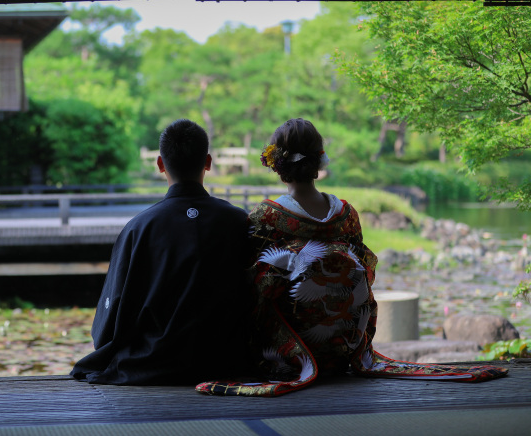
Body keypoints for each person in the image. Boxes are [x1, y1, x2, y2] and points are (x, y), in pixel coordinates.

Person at [197, 118, 508, 397]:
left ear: (278, 165)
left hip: (290, 353)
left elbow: (252, 286)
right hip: (343, 348)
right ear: (318, 162)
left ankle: (290, 357)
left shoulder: (268, 215)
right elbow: (366, 272)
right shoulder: (345, 214)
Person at [71, 119, 255, 384]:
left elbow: (112, 315)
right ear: (208, 162)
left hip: (152, 363)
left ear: (160, 164)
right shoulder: (240, 221)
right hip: (228, 361)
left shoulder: (139, 228)